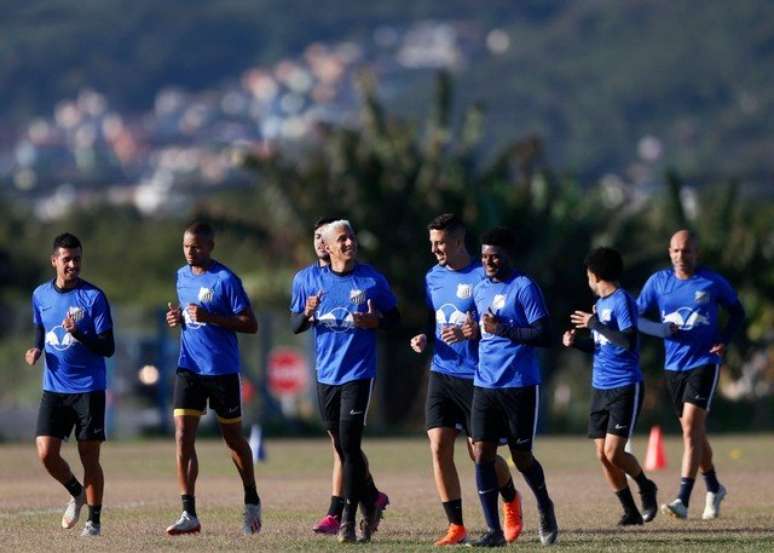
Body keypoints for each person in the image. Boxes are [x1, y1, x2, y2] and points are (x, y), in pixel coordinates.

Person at [409, 214, 522, 546]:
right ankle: (456, 525)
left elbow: (495, 322)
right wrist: (424, 339)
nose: (435, 250)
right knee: (439, 446)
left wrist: (474, 331)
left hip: (477, 378)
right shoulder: (432, 277)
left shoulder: (482, 277)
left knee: (479, 454)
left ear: (459, 242)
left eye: (440, 243)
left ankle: (511, 499)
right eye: (432, 244)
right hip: (441, 373)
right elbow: (435, 319)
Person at [290, 219, 399, 544]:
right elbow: (295, 324)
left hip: (358, 374)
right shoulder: (309, 281)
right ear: (326, 245)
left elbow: (395, 318)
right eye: (342, 239)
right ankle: (372, 500)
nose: (349, 243)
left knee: (350, 445)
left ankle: (348, 520)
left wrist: (375, 320)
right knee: (341, 446)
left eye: (351, 237)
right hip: (326, 375)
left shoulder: (371, 280)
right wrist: (307, 313)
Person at [637, 229, 745, 520]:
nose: (680, 256)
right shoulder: (658, 283)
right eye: (675, 251)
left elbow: (737, 312)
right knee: (694, 432)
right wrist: (660, 330)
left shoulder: (712, 282)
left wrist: (725, 339)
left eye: (686, 251)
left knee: (690, 429)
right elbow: (636, 318)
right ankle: (714, 487)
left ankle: (682, 500)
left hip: (705, 362)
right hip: (673, 368)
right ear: (668, 252)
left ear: (696, 253)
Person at [164, 222, 262, 536]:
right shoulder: (180, 276)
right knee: (182, 436)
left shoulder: (226, 279)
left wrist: (212, 318)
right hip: (188, 368)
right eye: (185, 246)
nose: (190, 252)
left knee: (233, 440)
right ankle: (188, 512)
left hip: (221, 371)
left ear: (210, 247)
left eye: (196, 246)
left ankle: (251, 499)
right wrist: (178, 318)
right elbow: (189, 315)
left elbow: (250, 324)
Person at [469, 226, 558, 547]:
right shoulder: (479, 289)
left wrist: (502, 328)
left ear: (508, 256)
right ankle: (493, 530)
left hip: (519, 386)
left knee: (521, 458)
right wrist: (472, 331)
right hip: (484, 384)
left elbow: (544, 335)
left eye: (495, 256)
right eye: (484, 257)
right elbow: (482, 330)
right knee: (482, 453)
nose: (489, 262)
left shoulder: (525, 288)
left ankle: (545, 505)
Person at [26, 232, 115, 537]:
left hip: (89, 388)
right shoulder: (40, 295)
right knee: (46, 453)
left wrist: (79, 334)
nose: (73, 265)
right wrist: (36, 348)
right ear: (54, 261)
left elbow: (108, 347)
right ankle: (76, 492)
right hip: (54, 388)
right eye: (67, 259)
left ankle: (94, 521)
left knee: (90, 457)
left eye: (77, 259)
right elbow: (40, 327)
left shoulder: (93, 298)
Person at [562, 247, 658, 526]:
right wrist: (576, 342)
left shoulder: (622, 301)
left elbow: (627, 340)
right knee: (602, 456)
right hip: (600, 387)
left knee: (613, 452)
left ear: (594, 274)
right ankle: (630, 511)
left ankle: (645, 485)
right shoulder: (601, 305)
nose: (587, 280)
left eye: (587, 275)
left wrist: (594, 323)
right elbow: (602, 344)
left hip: (625, 385)